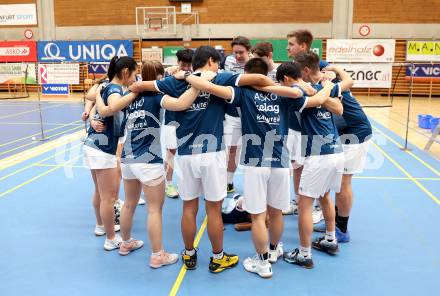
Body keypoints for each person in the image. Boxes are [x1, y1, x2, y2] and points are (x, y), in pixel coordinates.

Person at [182, 58, 337, 278]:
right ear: (268, 73)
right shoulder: (284, 94)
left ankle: (263, 263)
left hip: (255, 163)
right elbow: (317, 99)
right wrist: (325, 86)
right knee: (276, 213)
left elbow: (208, 87)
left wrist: (187, 75)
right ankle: (274, 251)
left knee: (257, 217)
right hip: (281, 162)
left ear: (246, 74)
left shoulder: (244, 94)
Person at [129, 46, 274, 273]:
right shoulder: (220, 77)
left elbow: (138, 86)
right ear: (210, 61)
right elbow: (259, 78)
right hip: (212, 152)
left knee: (189, 207)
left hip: (186, 154)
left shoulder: (174, 82)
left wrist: (181, 76)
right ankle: (217, 258)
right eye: (216, 62)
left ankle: (189, 253)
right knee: (213, 210)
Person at [94, 60, 207, 267]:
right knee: (154, 209)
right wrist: (197, 86)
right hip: (148, 160)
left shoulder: (130, 97)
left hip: (127, 159)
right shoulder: (156, 96)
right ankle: (158, 255)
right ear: (157, 77)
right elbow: (182, 103)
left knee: (129, 203)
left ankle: (126, 243)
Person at [283, 51, 352, 269]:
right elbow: (336, 106)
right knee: (324, 196)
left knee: (304, 205)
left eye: (296, 67)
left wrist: (318, 91)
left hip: (319, 155)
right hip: (336, 152)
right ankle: (330, 240)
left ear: (303, 70)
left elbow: (337, 108)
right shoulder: (323, 87)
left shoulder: (303, 90)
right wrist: (323, 90)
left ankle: (304, 254)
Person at [83, 56, 137, 250]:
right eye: (134, 73)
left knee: (100, 191)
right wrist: (133, 93)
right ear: (125, 72)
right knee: (110, 197)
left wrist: (96, 99)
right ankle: (111, 239)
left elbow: (94, 99)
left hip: (92, 144)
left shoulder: (106, 86)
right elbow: (111, 108)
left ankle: (100, 226)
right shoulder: (114, 89)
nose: (135, 78)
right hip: (103, 148)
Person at [313, 66, 373, 243]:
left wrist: (333, 70)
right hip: (342, 133)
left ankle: (342, 229)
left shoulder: (330, 86)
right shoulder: (327, 84)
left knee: (344, 182)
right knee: (336, 182)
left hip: (356, 134)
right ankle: (334, 221)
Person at [163, 49, 194, 199]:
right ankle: (168, 184)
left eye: (189, 65)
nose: (187, 68)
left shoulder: (195, 77)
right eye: (184, 65)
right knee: (171, 152)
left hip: (190, 121)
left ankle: (189, 183)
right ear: (178, 62)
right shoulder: (170, 77)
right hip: (172, 121)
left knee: (190, 153)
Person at [223, 36, 252, 193]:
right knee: (232, 149)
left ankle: (253, 184)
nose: (238, 56)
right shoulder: (227, 61)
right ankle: (228, 181)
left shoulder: (257, 64)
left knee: (254, 149)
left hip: (252, 115)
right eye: (235, 52)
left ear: (249, 51)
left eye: (241, 52)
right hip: (232, 114)